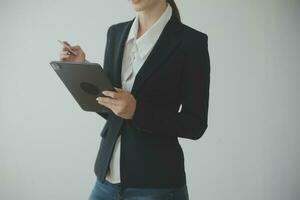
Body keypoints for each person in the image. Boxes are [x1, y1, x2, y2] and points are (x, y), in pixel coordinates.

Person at [59, 0, 210, 199]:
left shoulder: (191, 42)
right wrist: (82, 68)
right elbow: (112, 110)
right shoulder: (116, 33)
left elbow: (195, 125)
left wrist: (137, 111)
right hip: (106, 182)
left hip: (157, 186)